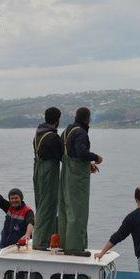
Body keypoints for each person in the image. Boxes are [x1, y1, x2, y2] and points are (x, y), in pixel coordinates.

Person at [57, 107, 103, 256]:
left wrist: (87, 164)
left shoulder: (66, 131)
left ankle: (64, 244)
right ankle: (75, 247)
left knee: (65, 209)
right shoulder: (81, 132)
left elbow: (67, 152)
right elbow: (81, 152)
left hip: (66, 173)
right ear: (87, 118)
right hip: (77, 177)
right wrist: (96, 157)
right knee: (78, 210)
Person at [32, 107, 63, 250]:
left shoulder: (37, 135)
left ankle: (42, 238)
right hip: (48, 172)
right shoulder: (53, 137)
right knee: (48, 205)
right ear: (57, 120)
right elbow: (63, 156)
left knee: (41, 204)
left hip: (37, 170)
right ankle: (40, 242)